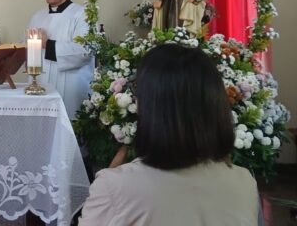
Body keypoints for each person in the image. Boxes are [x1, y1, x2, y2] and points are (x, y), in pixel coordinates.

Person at [78, 44, 259, 225]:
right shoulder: (244, 183)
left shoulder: (114, 187)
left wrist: (111, 177)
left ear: (148, 108)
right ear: (216, 106)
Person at [27, 0, 94, 116]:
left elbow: (85, 51)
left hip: (70, 89)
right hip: (41, 85)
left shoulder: (82, 14)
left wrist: (48, 44)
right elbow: (27, 51)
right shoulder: (37, 17)